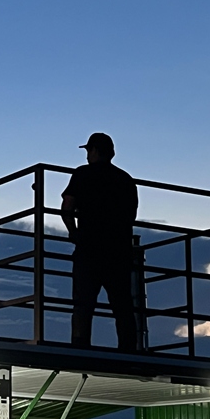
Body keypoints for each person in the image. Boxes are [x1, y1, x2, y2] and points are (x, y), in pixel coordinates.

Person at [60, 132, 139, 352]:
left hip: (89, 248)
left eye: (88, 150)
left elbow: (67, 206)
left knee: (83, 304)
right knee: (122, 305)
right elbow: (131, 215)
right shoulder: (125, 179)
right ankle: (129, 349)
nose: (87, 155)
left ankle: (80, 347)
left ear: (95, 150)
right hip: (119, 251)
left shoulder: (82, 174)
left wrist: (73, 231)